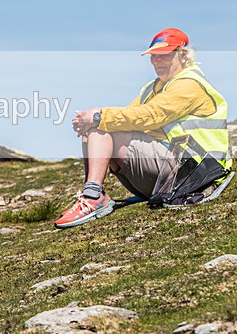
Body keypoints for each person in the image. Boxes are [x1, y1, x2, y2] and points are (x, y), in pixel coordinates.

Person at [55, 27, 232, 228]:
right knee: (97, 129)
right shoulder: (153, 87)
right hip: (173, 174)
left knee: (102, 126)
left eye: (164, 55)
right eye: (153, 56)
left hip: (197, 172)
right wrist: (90, 122)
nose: (157, 61)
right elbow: (129, 117)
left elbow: (150, 116)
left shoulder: (188, 84)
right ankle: (92, 195)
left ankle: (93, 197)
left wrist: (97, 117)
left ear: (183, 55)